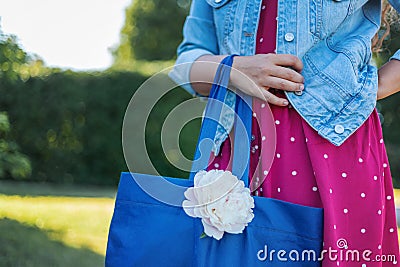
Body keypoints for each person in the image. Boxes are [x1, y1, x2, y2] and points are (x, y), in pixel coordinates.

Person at [169, 0, 400, 266]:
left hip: (334, 145)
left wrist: (372, 87)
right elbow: (187, 61)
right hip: (237, 146)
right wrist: (232, 68)